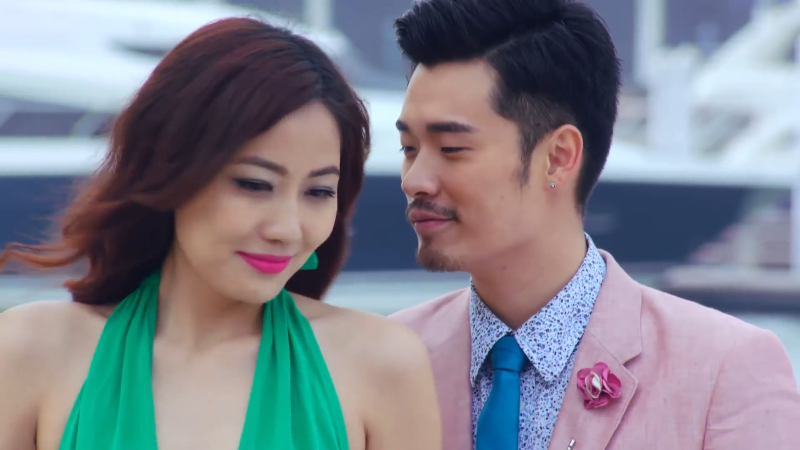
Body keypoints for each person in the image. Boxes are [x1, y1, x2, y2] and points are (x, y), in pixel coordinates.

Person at [0, 17, 441, 450]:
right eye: (254, 184)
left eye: (319, 191)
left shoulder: (380, 364)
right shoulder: (31, 350)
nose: (287, 230)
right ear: (169, 170)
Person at [388, 0, 800, 449]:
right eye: (409, 148)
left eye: (451, 148)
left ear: (558, 157)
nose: (414, 180)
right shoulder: (382, 359)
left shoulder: (725, 369)